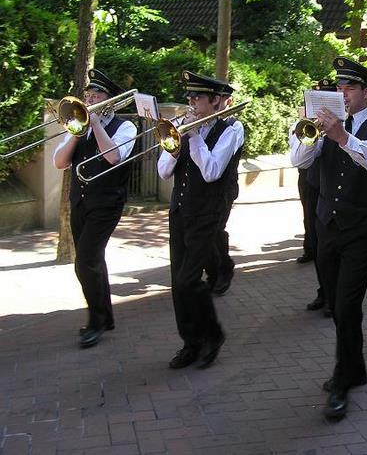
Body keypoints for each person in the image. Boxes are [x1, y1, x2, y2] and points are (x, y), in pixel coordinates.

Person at [290, 57, 367, 420]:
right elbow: (299, 162)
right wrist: (311, 134)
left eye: (349, 88)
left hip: (360, 229)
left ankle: (341, 380)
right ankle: (355, 367)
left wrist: (342, 137)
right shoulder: (325, 127)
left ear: (366, 92)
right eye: (339, 87)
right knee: (336, 304)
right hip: (326, 225)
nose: (343, 93)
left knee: (348, 305)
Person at [157, 70, 241, 369]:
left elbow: (211, 171)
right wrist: (177, 141)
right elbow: (163, 172)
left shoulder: (231, 130)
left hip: (208, 214)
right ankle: (190, 342)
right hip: (180, 211)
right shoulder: (181, 128)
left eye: (198, 97)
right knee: (177, 283)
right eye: (189, 96)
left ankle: (213, 335)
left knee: (189, 279)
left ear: (216, 100)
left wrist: (193, 137)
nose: (191, 102)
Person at [53, 69, 137, 348]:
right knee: (92, 260)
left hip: (106, 203)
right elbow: (59, 163)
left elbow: (114, 157)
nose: (89, 100)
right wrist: (78, 132)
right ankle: (105, 315)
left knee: (85, 261)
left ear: (110, 100)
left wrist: (97, 124)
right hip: (79, 202)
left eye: (96, 95)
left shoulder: (125, 127)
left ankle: (96, 321)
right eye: (87, 95)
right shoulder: (79, 125)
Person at [293, 78, 335, 318]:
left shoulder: (340, 123)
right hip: (312, 183)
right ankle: (323, 290)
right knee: (316, 240)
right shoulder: (308, 121)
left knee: (329, 245)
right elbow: (297, 155)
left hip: (331, 190)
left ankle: (332, 295)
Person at [205, 81, 244, 295]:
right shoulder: (204, 123)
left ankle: (224, 268)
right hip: (203, 189)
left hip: (224, 188)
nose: (217, 103)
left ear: (229, 101)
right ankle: (213, 272)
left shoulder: (234, 126)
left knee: (215, 230)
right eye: (215, 98)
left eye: (221, 99)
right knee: (205, 232)